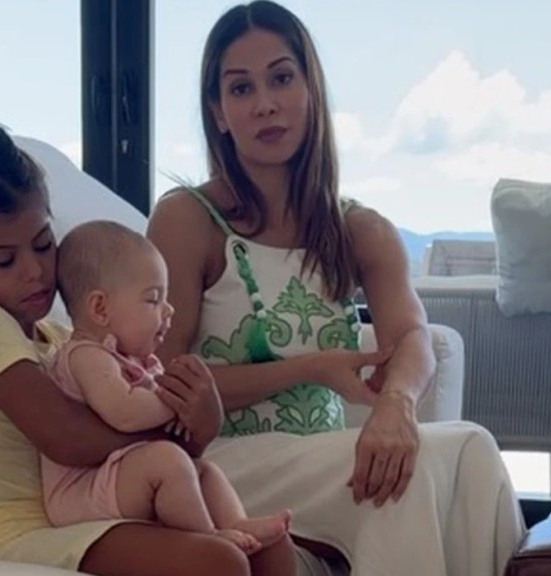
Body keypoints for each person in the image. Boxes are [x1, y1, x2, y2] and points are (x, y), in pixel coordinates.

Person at [146, 2, 527, 575]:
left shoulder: (360, 229)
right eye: (241, 88)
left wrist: (397, 404)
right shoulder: (186, 219)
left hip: (324, 461)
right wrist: (313, 368)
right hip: (221, 467)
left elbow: (413, 337)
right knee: (412, 473)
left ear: (311, 90)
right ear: (218, 113)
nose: (265, 103)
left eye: (281, 78)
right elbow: (162, 382)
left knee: (471, 449)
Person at [0, 72, 296, 576]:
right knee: (219, 560)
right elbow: (68, 438)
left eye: (43, 244)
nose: (34, 270)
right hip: (4, 535)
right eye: (4, 260)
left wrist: (194, 424)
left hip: (81, 506)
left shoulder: (58, 338)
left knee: (270, 548)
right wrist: (175, 428)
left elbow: (135, 448)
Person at [40, 219, 294, 558]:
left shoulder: (135, 360)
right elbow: (125, 412)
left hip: (120, 476)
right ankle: (208, 537)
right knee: (170, 461)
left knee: (204, 470)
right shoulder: (85, 355)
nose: (169, 309)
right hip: (81, 491)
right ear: (100, 308)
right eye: (153, 299)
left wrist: (185, 409)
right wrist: (175, 402)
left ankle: (236, 521)